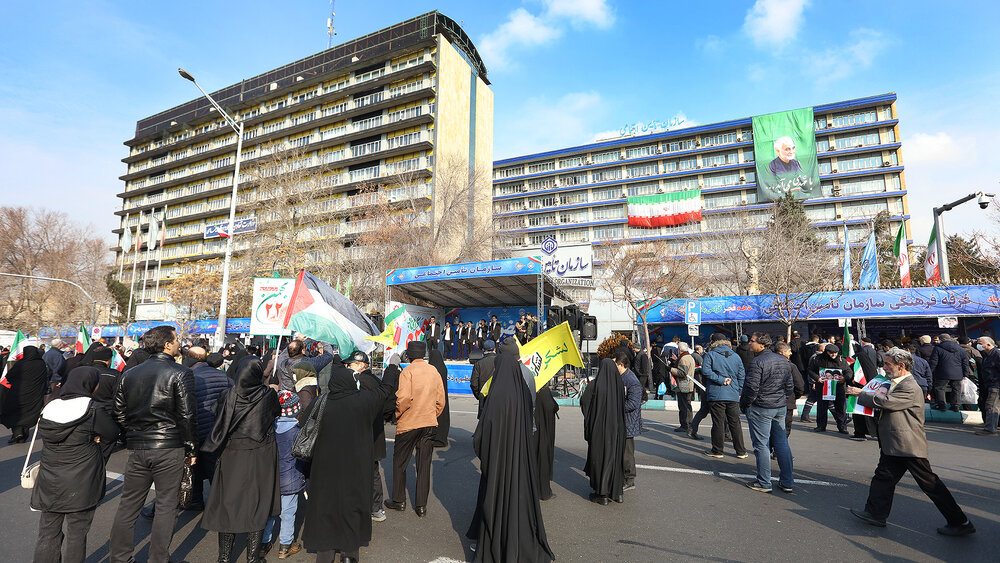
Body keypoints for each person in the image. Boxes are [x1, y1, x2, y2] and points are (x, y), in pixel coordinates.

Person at [848, 348, 975, 536]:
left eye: (888, 364)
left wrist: (861, 393)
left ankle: (960, 521)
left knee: (930, 484)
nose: (884, 367)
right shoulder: (894, 382)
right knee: (883, 478)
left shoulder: (909, 386)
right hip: (894, 443)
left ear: (901, 366)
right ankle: (875, 514)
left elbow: (887, 402)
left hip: (906, 444)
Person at [110, 326, 197, 563]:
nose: (179, 343)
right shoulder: (180, 373)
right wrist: (191, 448)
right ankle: (158, 558)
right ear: (167, 345)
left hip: (140, 446)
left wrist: (133, 432)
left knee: (128, 505)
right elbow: (187, 415)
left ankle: (119, 558)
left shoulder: (130, 373)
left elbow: (118, 410)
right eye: (177, 339)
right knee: (167, 505)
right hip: (169, 446)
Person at [466, 353, 555, 562]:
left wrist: (486, 455)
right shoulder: (523, 391)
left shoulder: (495, 394)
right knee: (519, 502)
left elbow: (481, 434)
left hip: (497, 463)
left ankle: (497, 544)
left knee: (495, 503)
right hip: (520, 461)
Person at [303, 357, 394, 563]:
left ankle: (325, 554)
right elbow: (384, 391)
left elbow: (304, 422)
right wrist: (392, 368)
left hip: (325, 467)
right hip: (356, 466)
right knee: (352, 507)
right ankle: (349, 554)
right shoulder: (363, 401)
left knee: (325, 507)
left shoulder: (322, 401)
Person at [31, 367, 119, 563]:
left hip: (50, 476)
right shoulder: (92, 409)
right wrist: (94, 438)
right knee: (77, 532)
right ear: (91, 385)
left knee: (47, 530)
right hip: (83, 477)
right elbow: (112, 433)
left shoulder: (49, 407)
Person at [201, 356, 281, 563]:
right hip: (260, 454)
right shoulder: (268, 395)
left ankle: (224, 558)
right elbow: (275, 415)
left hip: (232, 453)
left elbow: (217, 418)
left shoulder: (228, 395)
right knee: (258, 503)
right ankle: (252, 558)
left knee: (228, 504)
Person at [385, 340, 445, 516]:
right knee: (424, 465)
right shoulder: (433, 370)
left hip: (409, 423)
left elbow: (403, 398)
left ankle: (399, 500)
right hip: (429, 422)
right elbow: (441, 400)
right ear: (424, 354)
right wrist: (432, 414)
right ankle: (421, 506)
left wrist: (397, 415)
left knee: (400, 463)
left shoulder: (407, 371)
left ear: (409, 355)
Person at [739, 332, 794, 493]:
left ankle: (764, 482)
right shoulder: (783, 361)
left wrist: (745, 404)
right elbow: (789, 386)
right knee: (781, 443)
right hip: (779, 406)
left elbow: (751, 388)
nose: (750, 343)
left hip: (762, 407)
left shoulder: (757, 362)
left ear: (762, 344)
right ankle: (787, 482)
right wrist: (781, 399)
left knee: (761, 445)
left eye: (752, 341)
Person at [349, 350, 395, 523]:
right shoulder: (375, 380)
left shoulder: (361, 381)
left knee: (364, 472)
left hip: (364, 433)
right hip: (375, 432)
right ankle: (376, 508)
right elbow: (388, 401)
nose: (349, 366)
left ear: (361, 365)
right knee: (373, 471)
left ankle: (369, 508)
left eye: (351, 363)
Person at [261, 390, 306, 559]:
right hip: (291, 477)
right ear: (296, 409)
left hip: (271, 478)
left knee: (270, 512)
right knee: (288, 512)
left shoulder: (269, 428)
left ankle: (264, 543)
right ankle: (286, 545)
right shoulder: (296, 431)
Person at [189, 345, 233, 510]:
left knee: (194, 468)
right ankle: (219, 503)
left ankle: (195, 501)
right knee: (215, 469)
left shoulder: (189, 376)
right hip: (217, 430)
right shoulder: (223, 377)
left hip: (196, 429)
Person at [581, 358, 626, 505]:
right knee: (615, 459)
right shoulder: (619, 384)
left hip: (600, 429)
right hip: (618, 429)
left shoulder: (596, 385)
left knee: (600, 459)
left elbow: (584, 403)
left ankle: (602, 494)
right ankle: (617, 493)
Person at [701, 334, 747, 459]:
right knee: (735, 423)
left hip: (716, 394)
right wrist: (739, 392)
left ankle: (717, 451)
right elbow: (741, 375)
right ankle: (741, 451)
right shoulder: (736, 356)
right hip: (733, 394)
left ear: (713, 342)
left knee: (718, 423)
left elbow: (705, 371)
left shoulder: (710, 355)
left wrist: (721, 380)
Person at [1, 345, 49, 443]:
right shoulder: (41, 363)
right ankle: (23, 435)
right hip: (35, 393)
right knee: (29, 414)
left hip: (18, 393)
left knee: (16, 412)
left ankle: (17, 432)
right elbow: (46, 376)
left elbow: (9, 375)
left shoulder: (21, 364)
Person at [808, 343, 850, 434]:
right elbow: (810, 370)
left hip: (838, 388)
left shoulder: (841, 360)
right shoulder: (817, 359)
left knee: (840, 408)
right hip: (823, 387)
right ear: (826, 352)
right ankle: (821, 426)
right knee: (822, 407)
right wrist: (817, 378)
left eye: (835, 353)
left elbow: (849, 372)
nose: (834, 355)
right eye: (831, 353)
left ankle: (842, 426)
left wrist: (844, 378)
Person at [617, 349, 643, 491]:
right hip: (622, 421)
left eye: (615, 363)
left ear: (621, 364)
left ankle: (629, 479)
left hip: (628, 421)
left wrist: (615, 406)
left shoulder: (631, 380)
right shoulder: (622, 377)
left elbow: (633, 403)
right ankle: (623, 476)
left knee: (627, 453)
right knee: (622, 451)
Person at [928, 333, 970, 412]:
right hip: (958, 373)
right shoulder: (961, 349)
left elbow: (933, 362)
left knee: (940, 388)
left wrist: (930, 371)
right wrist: (965, 374)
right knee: (956, 389)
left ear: (941, 340)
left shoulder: (938, 348)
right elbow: (965, 363)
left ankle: (942, 405)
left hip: (942, 373)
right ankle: (956, 405)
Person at [534, 378, 559, 501]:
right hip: (544, 431)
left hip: (533, 432)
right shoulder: (543, 392)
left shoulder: (531, 390)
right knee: (543, 461)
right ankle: (544, 492)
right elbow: (550, 406)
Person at [775, 342, 805, 438]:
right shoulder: (791, 366)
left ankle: (771, 448)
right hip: (787, 402)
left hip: (771, 401)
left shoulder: (766, 364)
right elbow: (799, 385)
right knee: (784, 428)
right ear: (782, 352)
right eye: (789, 351)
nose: (791, 353)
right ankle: (779, 450)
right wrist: (794, 396)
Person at [671, 342, 698, 436]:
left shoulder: (684, 358)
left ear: (680, 350)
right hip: (688, 383)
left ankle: (685, 425)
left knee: (684, 405)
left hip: (684, 384)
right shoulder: (689, 357)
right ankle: (688, 424)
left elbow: (682, 373)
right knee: (687, 405)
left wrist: (670, 369)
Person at [975, 337, 999, 436]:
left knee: (991, 406)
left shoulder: (996, 354)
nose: (978, 345)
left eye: (980, 343)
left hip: (996, 384)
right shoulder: (988, 355)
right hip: (991, 384)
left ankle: (990, 429)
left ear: (989, 344)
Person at [428, 348, 451, 447]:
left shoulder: (431, 369)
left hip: (432, 397)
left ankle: (433, 438)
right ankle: (442, 439)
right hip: (443, 396)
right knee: (443, 417)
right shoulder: (443, 367)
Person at [469, 340, 497, 417]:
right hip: (498, 399)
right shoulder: (500, 362)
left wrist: (479, 395)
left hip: (483, 398)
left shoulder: (478, 364)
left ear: (483, 350)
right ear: (495, 349)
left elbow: (474, 383)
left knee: (484, 425)